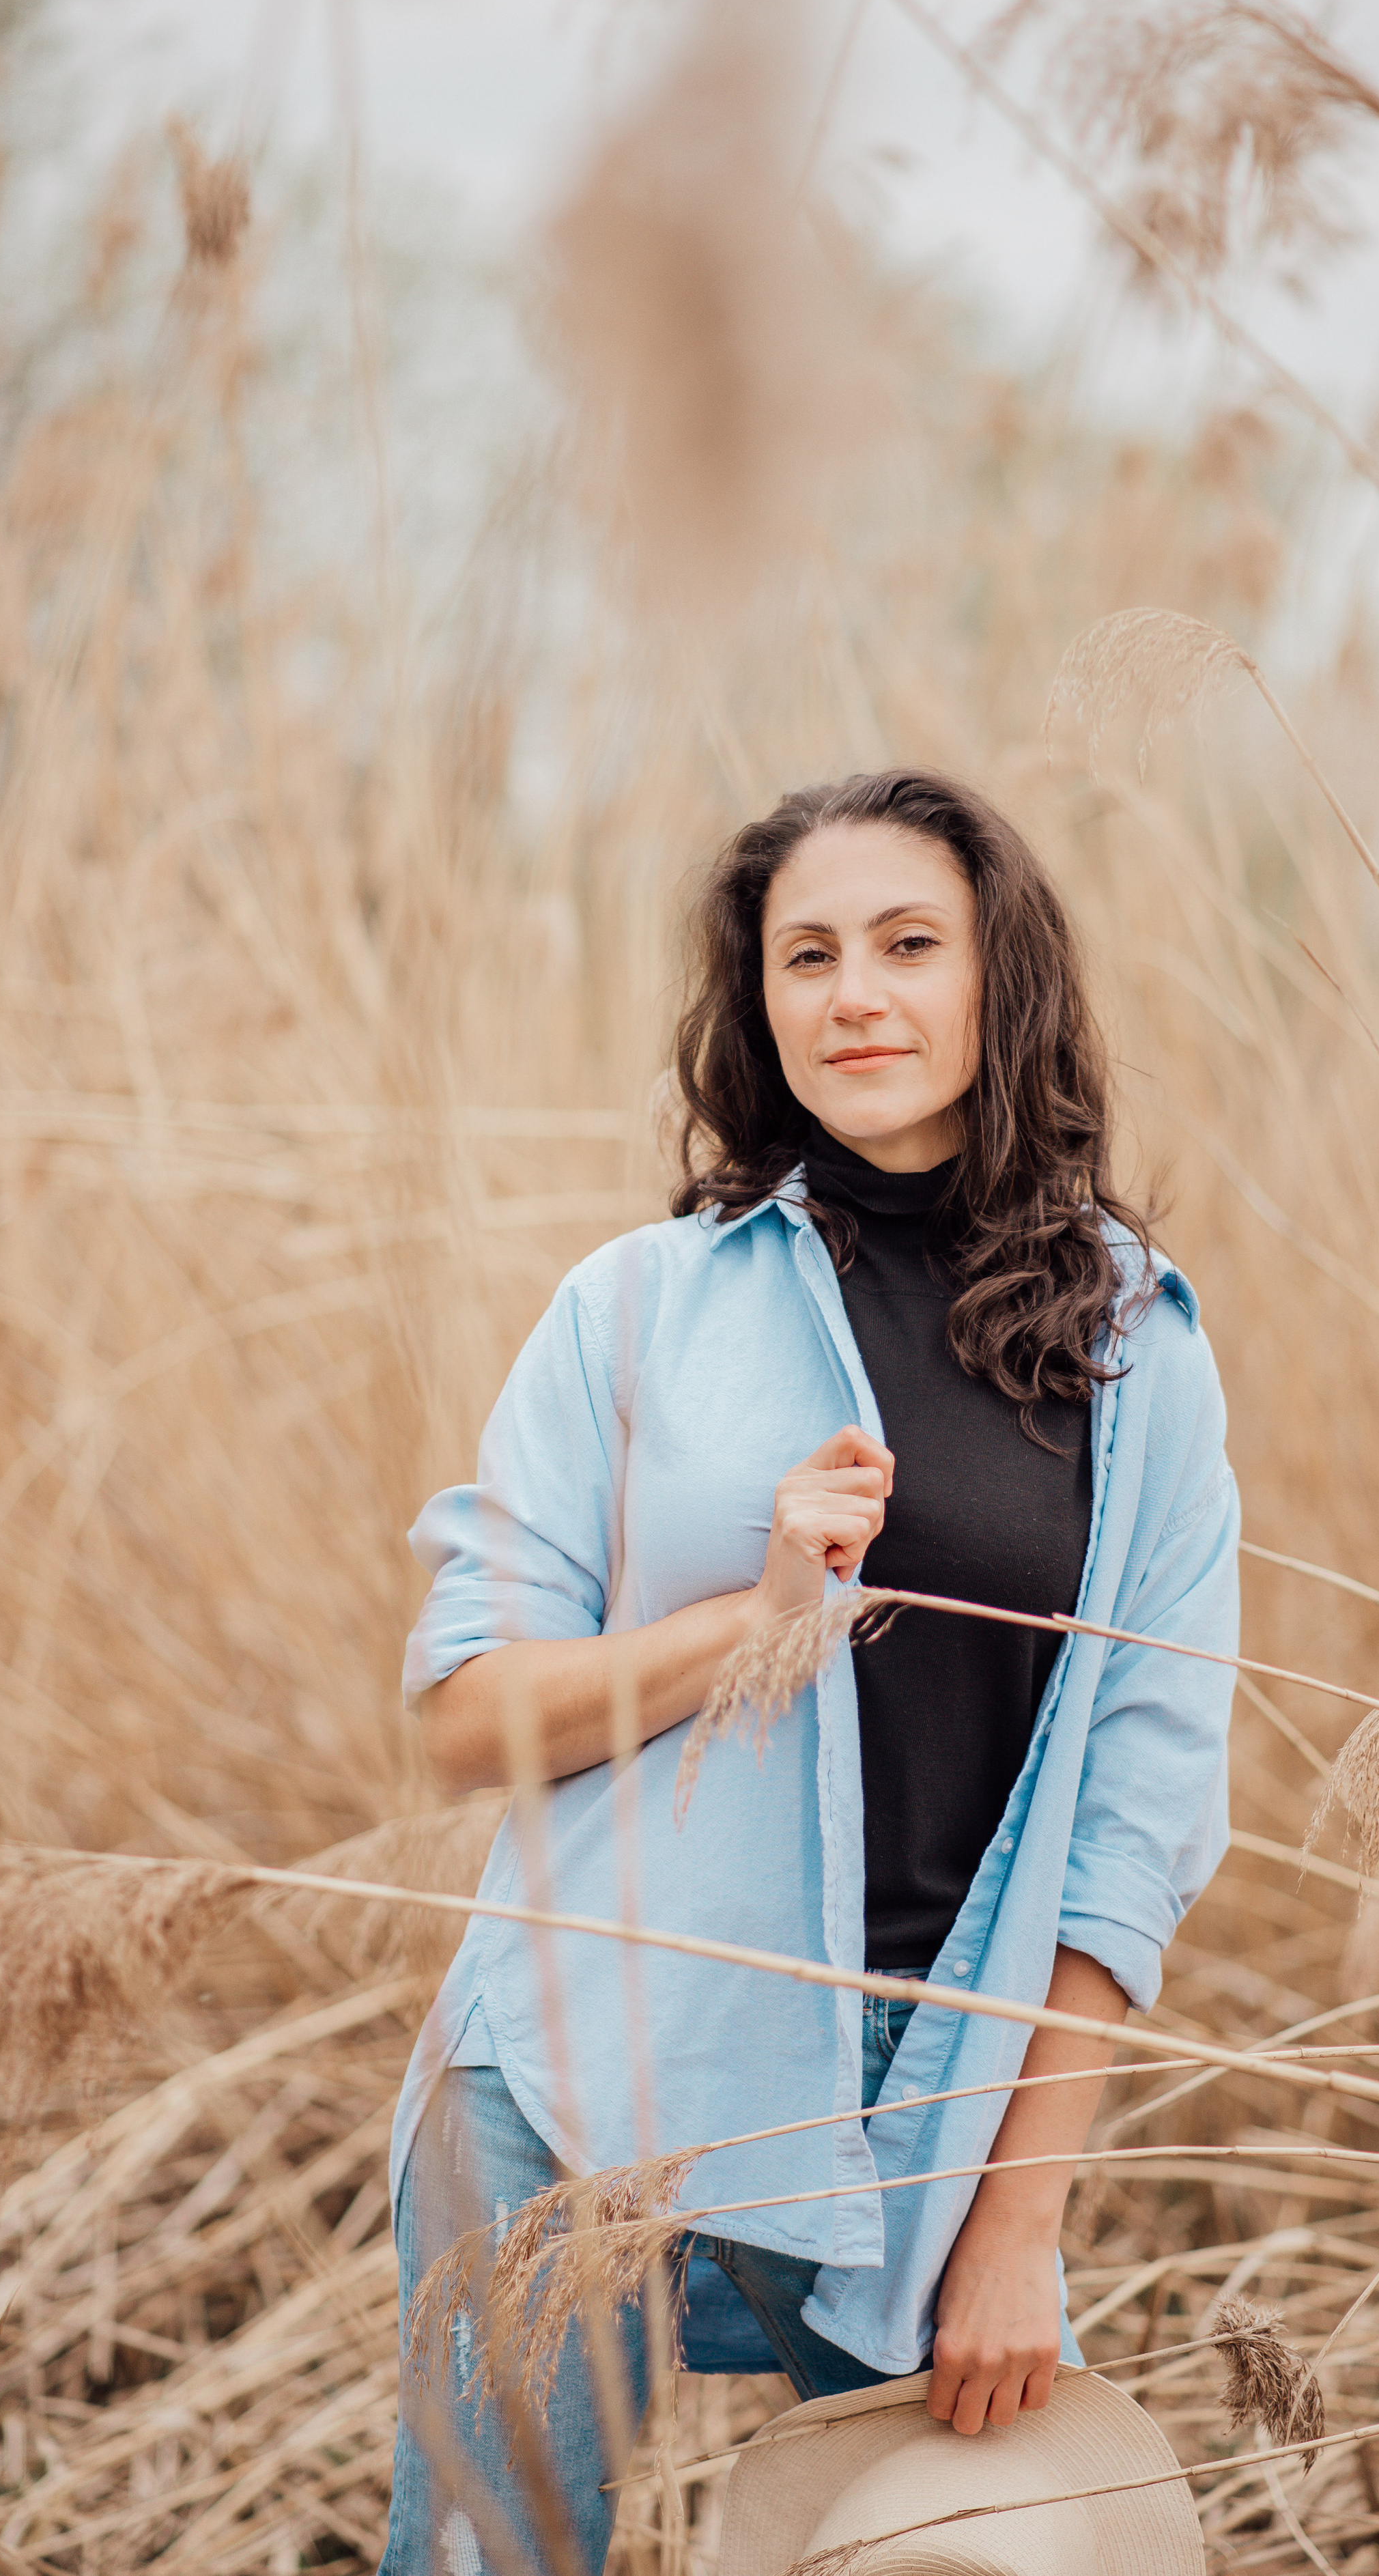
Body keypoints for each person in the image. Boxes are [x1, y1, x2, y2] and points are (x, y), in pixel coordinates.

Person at [379, 769, 1238, 2576]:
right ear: (759, 1003)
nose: (855, 993)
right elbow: (465, 1711)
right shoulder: (633, 1306)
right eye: (808, 955)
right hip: (578, 2050)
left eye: (908, 944)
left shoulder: (1139, 1346)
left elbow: (1137, 1816)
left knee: (991, 2549)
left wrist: (1017, 2222)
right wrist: (746, 1626)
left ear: (998, 979)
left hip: (921, 2090)